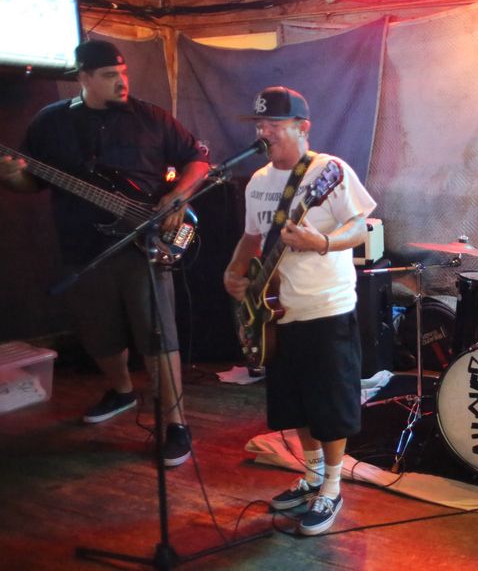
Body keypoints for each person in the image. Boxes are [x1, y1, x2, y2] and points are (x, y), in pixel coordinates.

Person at [0, 40, 208, 467]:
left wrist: (178, 195)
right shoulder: (51, 122)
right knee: (98, 332)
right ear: (84, 78)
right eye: (110, 75)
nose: (122, 81)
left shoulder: (151, 117)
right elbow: (31, 182)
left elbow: (198, 160)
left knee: (158, 335)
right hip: (83, 248)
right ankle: (121, 390)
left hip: (145, 244)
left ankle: (176, 424)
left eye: (124, 73)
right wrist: (9, 177)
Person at [223, 86, 376, 536]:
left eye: (273, 124)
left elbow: (361, 226)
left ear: (302, 127)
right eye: (259, 124)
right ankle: (310, 475)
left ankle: (332, 486)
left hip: (326, 307)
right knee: (297, 404)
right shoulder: (257, 181)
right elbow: (252, 237)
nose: (263, 132)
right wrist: (233, 272)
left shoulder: (329, 171)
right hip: (276, 313)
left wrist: (322, 242)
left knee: (330, 406)